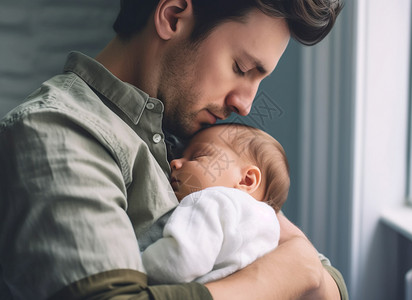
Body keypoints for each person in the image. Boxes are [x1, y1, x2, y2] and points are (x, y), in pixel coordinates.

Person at [0, 0, 348, 299]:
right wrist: (283, 276)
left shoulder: (196, 136)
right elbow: (302, 267)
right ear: (173, 17)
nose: (245, 104)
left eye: (259, 78)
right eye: (240, 68)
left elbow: (326, 281)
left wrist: (304, 271)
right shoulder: (56, 131)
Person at [142, 123, 290, 284]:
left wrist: (136, 264)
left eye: (197, 156)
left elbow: (181, 258)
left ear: (246, 180)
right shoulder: (273, 231)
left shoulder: (214, 200)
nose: (175, 163)